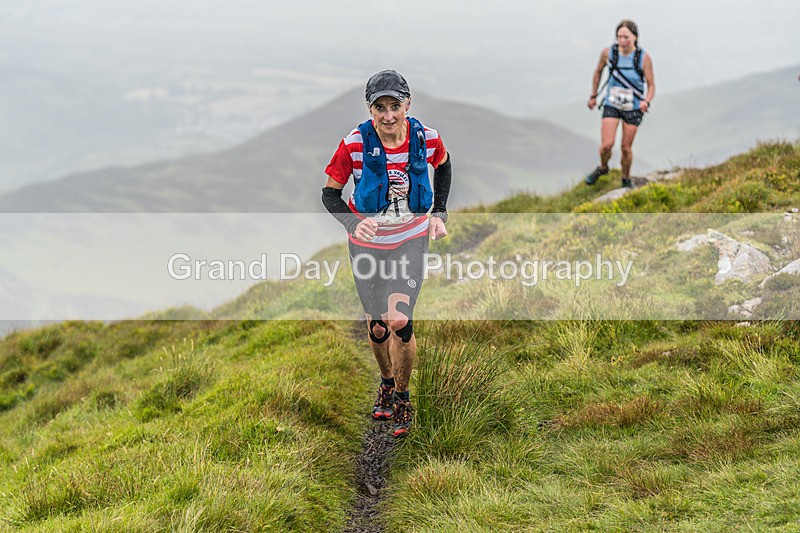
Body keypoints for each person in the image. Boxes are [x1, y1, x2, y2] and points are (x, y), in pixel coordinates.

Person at [321, 70, 451, 437]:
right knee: (377, 326)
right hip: (367, 245)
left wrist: (439, 212)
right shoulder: (353, 145)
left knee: (399, 321)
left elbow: (443, 165)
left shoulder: (426, 138)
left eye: (395, 106)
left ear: (408, 104)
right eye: (381, 108)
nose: (389, 115)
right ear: (370, 109)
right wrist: (352, 223)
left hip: (410, 238)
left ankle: (403, 398)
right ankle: (386, 381)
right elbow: (330, 194)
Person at [585, 19, 655, 189]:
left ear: (635, 37)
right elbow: (597, 72)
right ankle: (603, 167)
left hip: (634, 106)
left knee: (625, 147)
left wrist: (646, 101)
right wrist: (593, 95)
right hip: (612, 103)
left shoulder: (643, 58)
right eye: (619, 37)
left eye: (626, 37)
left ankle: (625, 178)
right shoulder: (608, 53)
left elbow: (651, 85)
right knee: (606, 145)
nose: (622, 41)